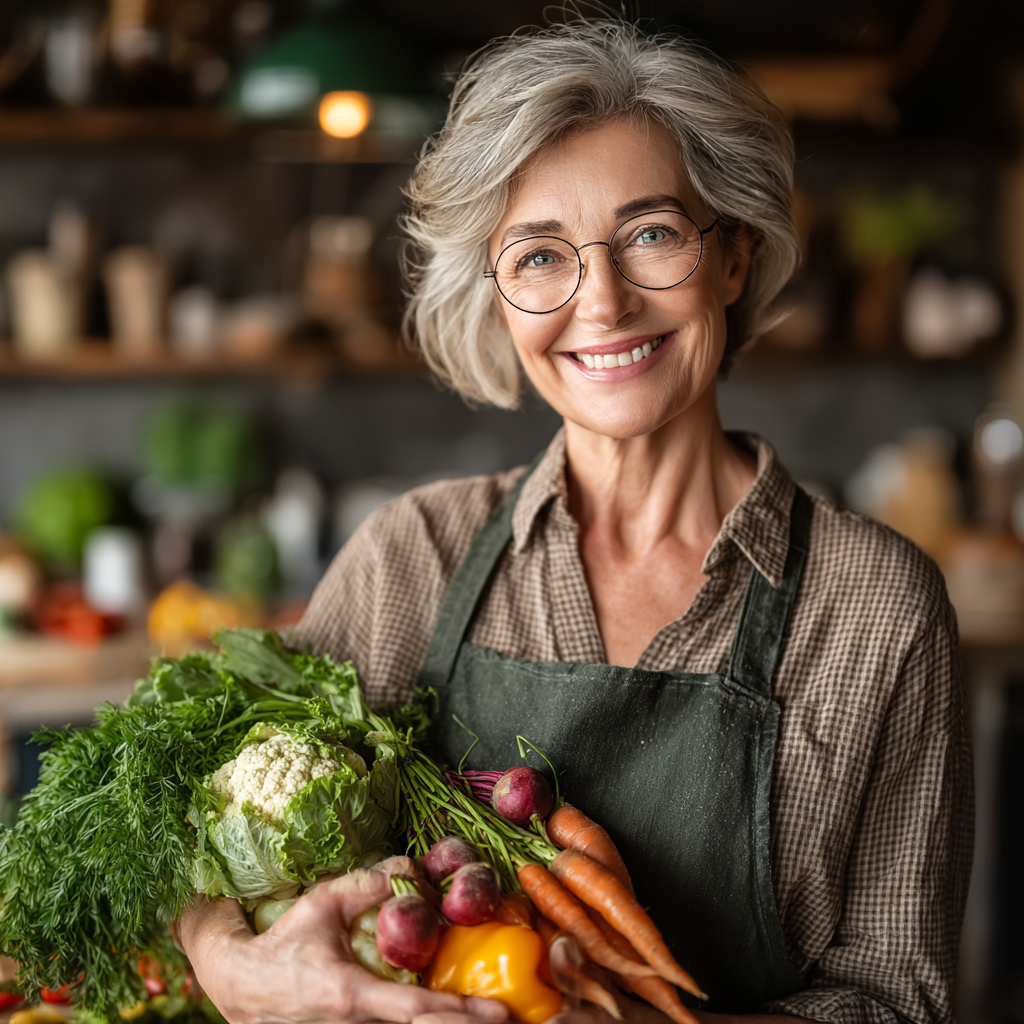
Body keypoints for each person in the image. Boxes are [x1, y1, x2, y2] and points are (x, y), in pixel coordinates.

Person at [178, 19, 972, 1024]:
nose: (601, 301)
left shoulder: (874, 608)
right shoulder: (410, 559)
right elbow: (213, 832)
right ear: (500, 299)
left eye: (649, 234)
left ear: (731, 258)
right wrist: (227, 963)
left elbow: (898, 998)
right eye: (541, 255)